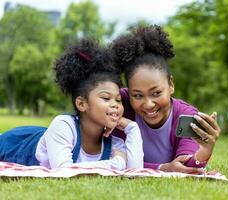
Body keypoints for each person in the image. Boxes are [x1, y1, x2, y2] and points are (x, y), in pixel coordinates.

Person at [0, 39, 143, 170]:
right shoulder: (63, 126)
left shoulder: (115, 144)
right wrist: (117, 163)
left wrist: (132, 128)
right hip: (15, 144)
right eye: (106, 98)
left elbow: (135, 172)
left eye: (118, 100)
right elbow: (65, 171)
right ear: (81, 104)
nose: (115, 105)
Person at [111, 25, 221, 173]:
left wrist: (204, 151)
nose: (148, 104)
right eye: (137, 95)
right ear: (128, 92)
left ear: (171, 85)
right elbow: (115, 160)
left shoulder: (185, 114)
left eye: (156, 93)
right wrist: (163, 168)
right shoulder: (120, 103)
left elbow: (185, 165)